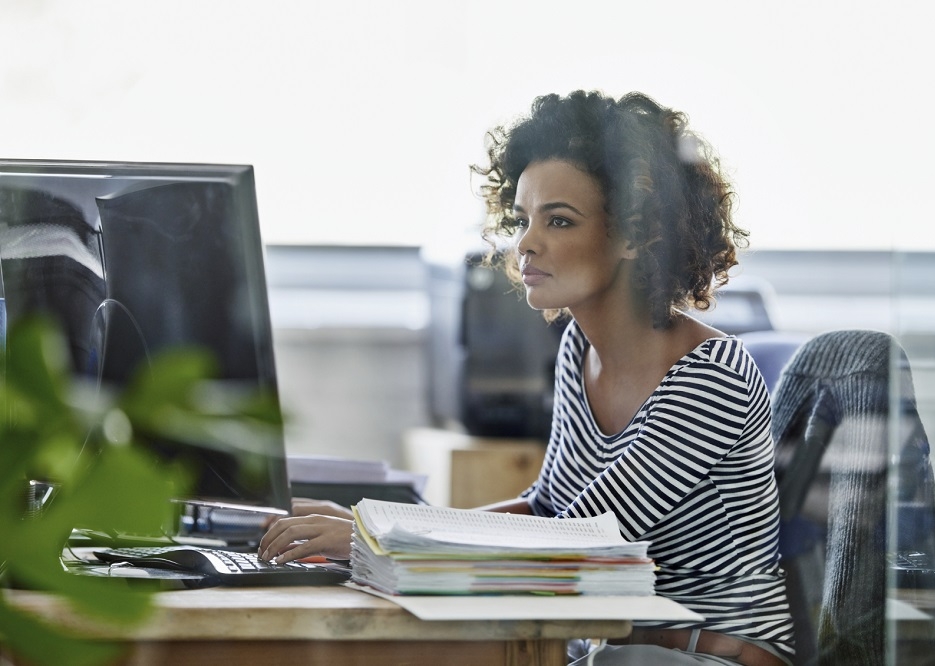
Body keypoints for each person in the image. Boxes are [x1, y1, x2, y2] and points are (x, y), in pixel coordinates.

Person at [258, 90, 794, 666]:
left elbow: (576, 543)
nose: (525, 243)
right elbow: (544, 510)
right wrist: (376, 529)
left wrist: (377, 539)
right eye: (522, 219)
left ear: (637, 235)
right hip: (608, 648)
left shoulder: (712, 376)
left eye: (558, 220)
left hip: (708, 657)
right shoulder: (579, 348)